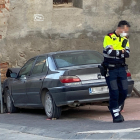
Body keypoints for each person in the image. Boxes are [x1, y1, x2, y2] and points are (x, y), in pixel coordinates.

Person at [103, 20, 131, 123]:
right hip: (111, 69)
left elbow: (127, 54)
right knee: (114, 92)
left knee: (124, 91)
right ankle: (115, 113)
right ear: (120, 28)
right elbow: (109, 52)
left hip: (121, 68)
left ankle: (116, 107)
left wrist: (117, 51)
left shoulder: (125, 38)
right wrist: (121, 51)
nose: (126, 32)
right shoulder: (108, 37)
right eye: (125, 30)